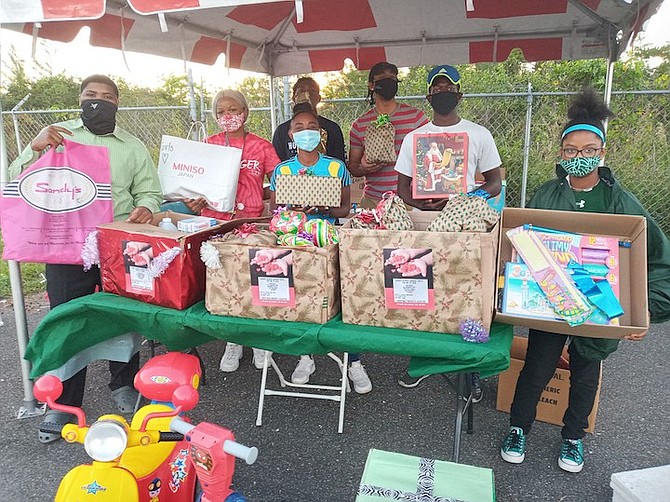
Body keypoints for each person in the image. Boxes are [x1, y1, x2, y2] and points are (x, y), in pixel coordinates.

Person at [499, 88, 670, 473]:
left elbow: (655, 258)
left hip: (601, 304)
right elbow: (522, 242)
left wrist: (642, 312)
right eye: (572, 151)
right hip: (551, 300)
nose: (580, 157)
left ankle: (573, 436)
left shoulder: (620, 202)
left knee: (586, 368)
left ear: (602, 153)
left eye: (589, 150)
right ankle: (518, 427)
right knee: (539, 365)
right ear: (561, 154)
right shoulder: (546, 194)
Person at [9, 74, 163, 443]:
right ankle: (62, 405)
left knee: (124, 317)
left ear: (117, 104)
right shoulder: (58, 138)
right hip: (67, 248)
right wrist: (33, 148)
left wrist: (145, 206)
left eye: (107, 97)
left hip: (118, 246)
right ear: (79, 99)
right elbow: (15, 181)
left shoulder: (132, 146)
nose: (98, 101)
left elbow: (151, 192)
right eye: (90, 95)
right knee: (67, 323)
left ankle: (123, 383)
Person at [394, 65, 503, 394]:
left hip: (466, 222)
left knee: (467, 291)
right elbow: (402, 187)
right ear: (429, 96)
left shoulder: (479, 134)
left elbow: (495, 183)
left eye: (448, 87)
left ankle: (469, 369)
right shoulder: (415, 138)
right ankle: (424, 359)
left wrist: (468, 197)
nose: (443, 93)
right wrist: (420, 204)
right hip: (429, 222)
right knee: (428, 289)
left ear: (460, 92)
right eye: (437, 88)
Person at [269, 103, 372, 394]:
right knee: (301, 298)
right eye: (299, 128)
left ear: (321, 132)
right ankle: (306, 358)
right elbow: (275, 211)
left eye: (311, 127)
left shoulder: (336, 167)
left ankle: (354, 361)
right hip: (296, 244)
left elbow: (342, 210)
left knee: (343, 298)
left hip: (329, 238)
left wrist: (323, 206)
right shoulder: (283, 170)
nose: (305, 132)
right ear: (290, 134)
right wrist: (294, 209)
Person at [184, 89, 280, 373]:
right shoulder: (208, 145)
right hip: (216, 223)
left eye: (233, 109)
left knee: (255, 280)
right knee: (225, 284)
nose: (228, 116)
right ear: (215, 117)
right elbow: (194, 185)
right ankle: (233, 341)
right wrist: (196, 198)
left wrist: (256, 195)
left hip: (251, 222)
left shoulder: (261, 147)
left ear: (245, 113)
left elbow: (278, 180)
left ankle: (260, 341)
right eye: (222, 111)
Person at [348, 62, 429, 209]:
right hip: (374, 201)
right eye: (383, 77)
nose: (389, 81)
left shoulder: (416, 118)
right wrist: (364, 168)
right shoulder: (360, 125)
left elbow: (430, 158)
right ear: (371, 85)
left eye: (393, 77)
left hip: (410, 201)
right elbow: (353, 166)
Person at [272, 76, 346, 162]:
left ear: (319, 98)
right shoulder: (282, 131)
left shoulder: (332, 128)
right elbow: (276, 164)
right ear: (294, 98)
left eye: (312, 91)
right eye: (302, 91)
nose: (307, 94)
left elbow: (339, 161)